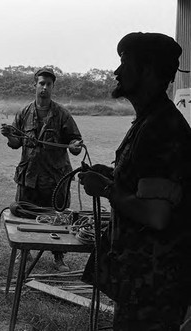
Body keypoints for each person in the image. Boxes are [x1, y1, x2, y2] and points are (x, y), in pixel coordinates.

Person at [78, 32, 191, 330]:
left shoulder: (162, 129)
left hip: (155, 287)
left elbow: (155, 215)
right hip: (142, 282)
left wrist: (104, 188)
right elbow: (146, 187)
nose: (116, 71)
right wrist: (112, 177)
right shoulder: (149, 121)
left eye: (125, 62)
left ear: (149, 70)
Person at [0, 67, 83, 272]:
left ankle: (59, 257)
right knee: (25, 214)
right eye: (41, 83)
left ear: (53, 87)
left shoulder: (62, 114)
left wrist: (75, 145)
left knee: (59, 217)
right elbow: (15, 143)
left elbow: (75, 141)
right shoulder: (24, 113)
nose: (44, 87)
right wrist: (9, 135)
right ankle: (24, 252)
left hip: (55, 178)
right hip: (29, 177)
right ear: (35, 85)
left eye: (48, 84)